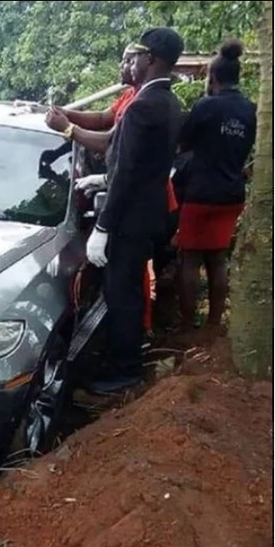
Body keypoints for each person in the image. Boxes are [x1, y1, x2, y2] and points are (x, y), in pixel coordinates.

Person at [83, 27, 184, 393]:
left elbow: (126, 172)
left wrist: (104, 226)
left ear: (151, 59)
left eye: (135, 56)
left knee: (122, 294)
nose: (129, 63)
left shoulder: (143, 106)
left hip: (130, 219)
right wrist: (102, 180)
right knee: (129, 292)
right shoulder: (168, 102)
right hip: (147, 213)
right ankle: (124, 359)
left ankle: (125, 370)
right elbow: (137, 165)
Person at [176, 39, 256, 331]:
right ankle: (212, 326)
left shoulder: (206, 106)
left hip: (201, 193)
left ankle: (186, 325)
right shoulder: (251, 109)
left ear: (214, 78)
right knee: (218, 258)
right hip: (232, 193)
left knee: (190, 258)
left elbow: (184, 143)